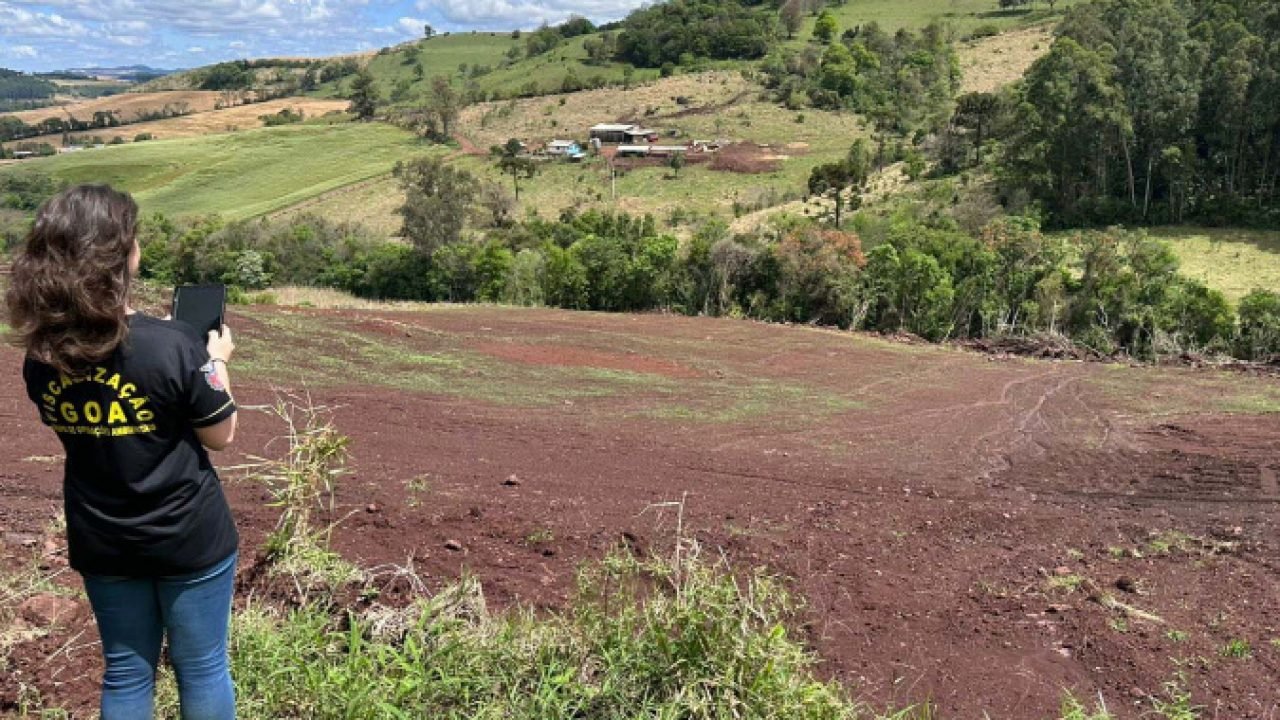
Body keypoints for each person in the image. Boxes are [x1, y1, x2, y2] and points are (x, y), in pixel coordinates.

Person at [5, 184, 240, 720]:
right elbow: (221, 435)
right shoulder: (175, 344)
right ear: (122, 257)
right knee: (201, 666)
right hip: (187, 536)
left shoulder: (42, 356)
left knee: (127, 671)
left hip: (103, 536)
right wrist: (216, 360)